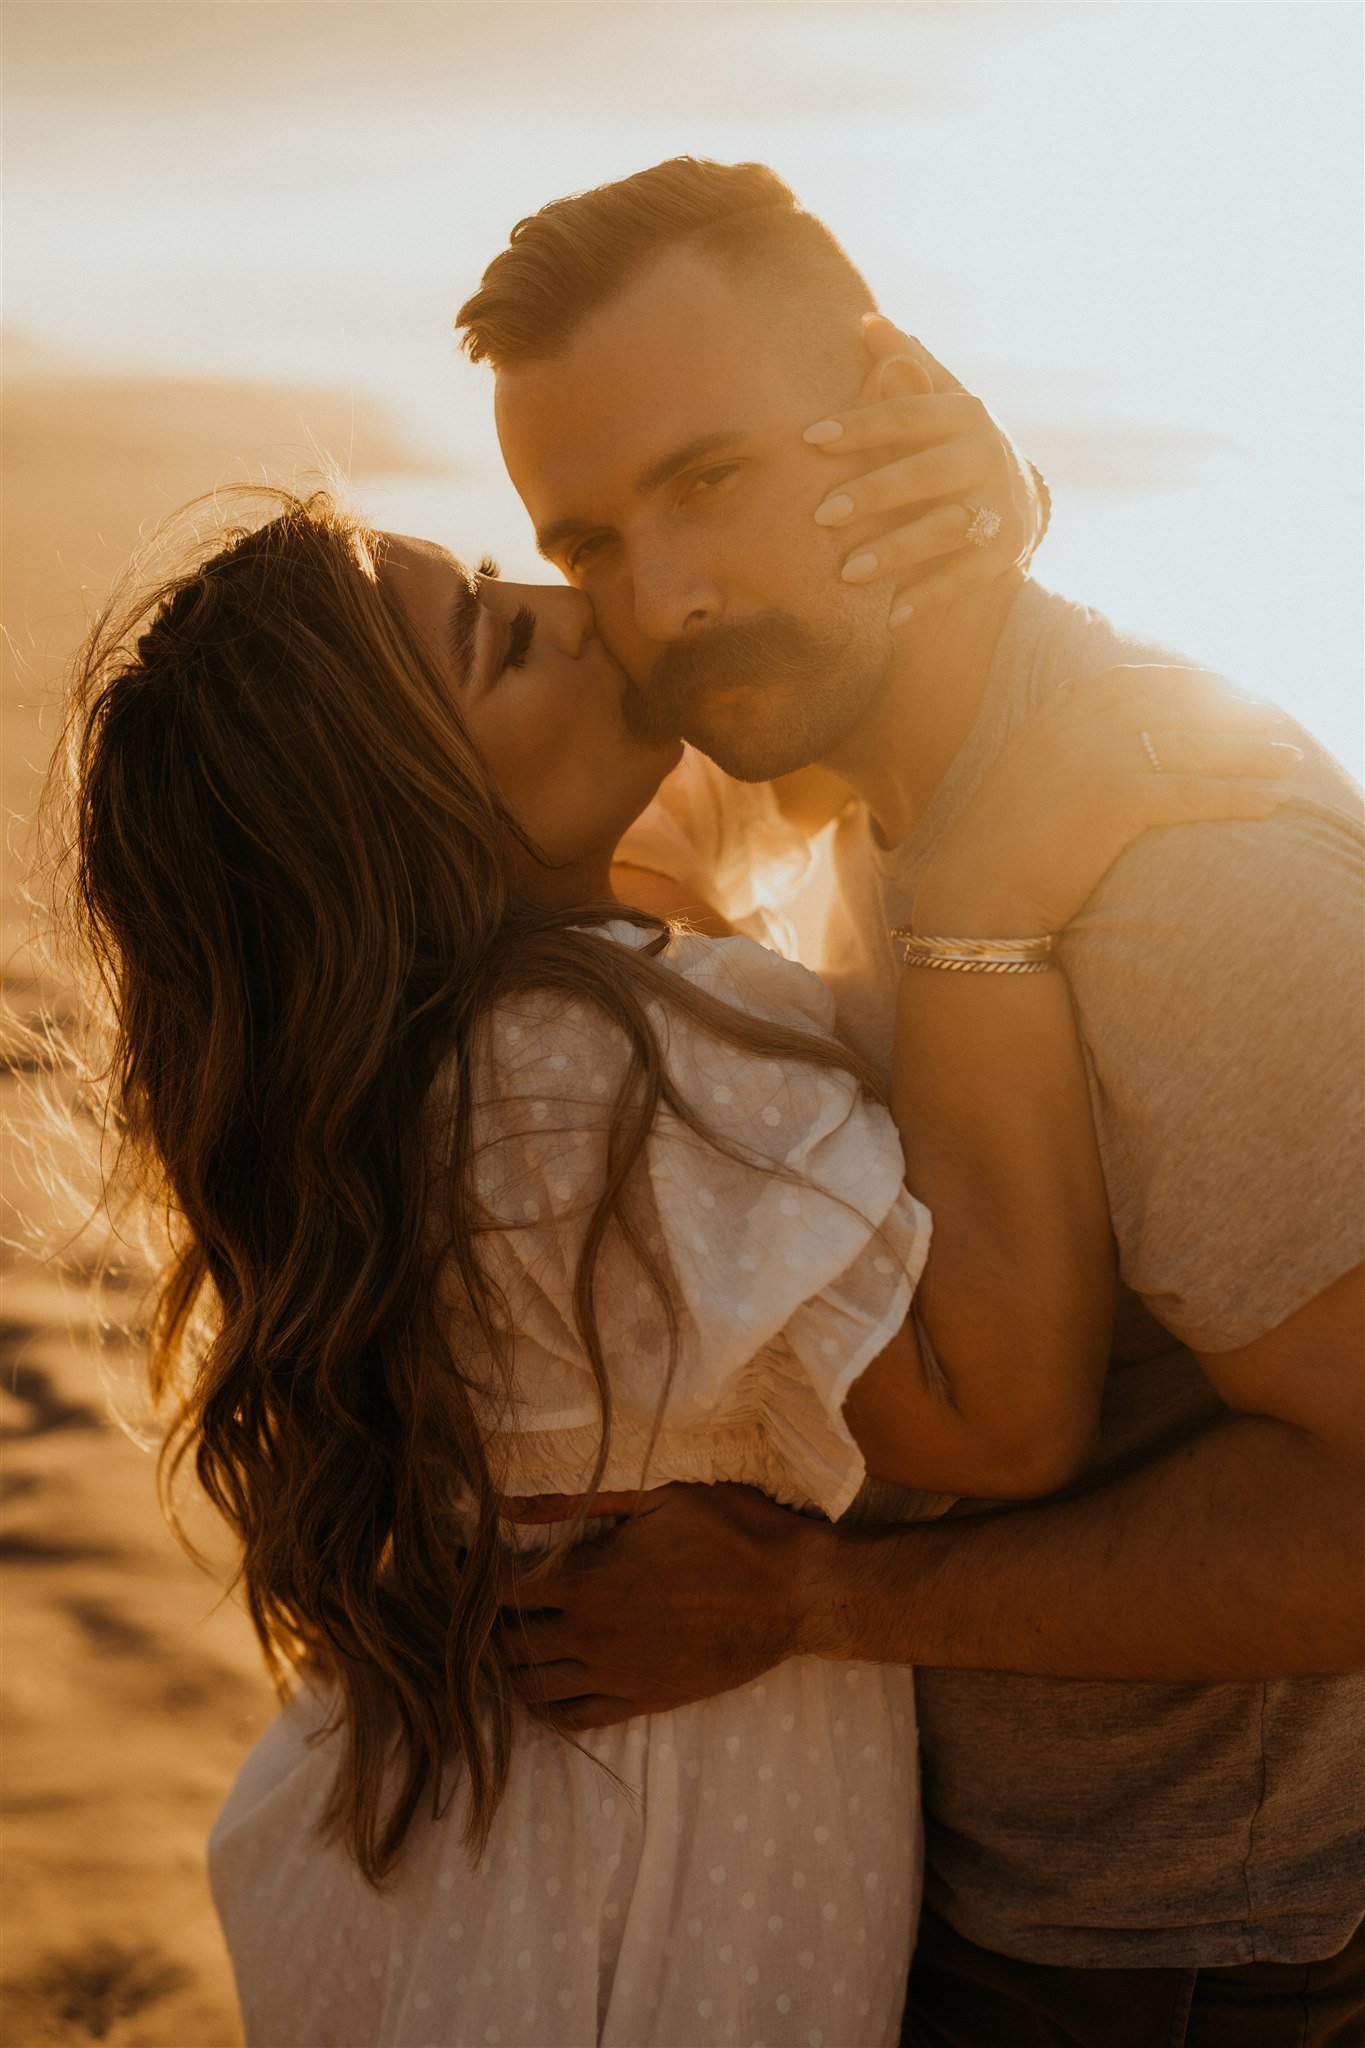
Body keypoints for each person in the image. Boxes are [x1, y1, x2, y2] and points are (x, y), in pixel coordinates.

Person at [48, 479, 1286, 2048]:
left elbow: (763, 752)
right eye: (502, 641)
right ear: (410, 822)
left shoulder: (511, 999)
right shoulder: (570, 1080)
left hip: (520, 1827)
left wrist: (969, 526)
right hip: (652, 1856)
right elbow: (999, 1413)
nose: (586, 617)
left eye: (519, 574)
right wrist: (984, 907)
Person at [457, 158, 1365, 2045]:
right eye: (589, 545)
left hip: (1177, 1968)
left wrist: (809, 1602)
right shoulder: (845, 777)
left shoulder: (1189, 888)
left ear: (894, 409)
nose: (665, 598)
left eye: (708, 478)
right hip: (948, 1900)